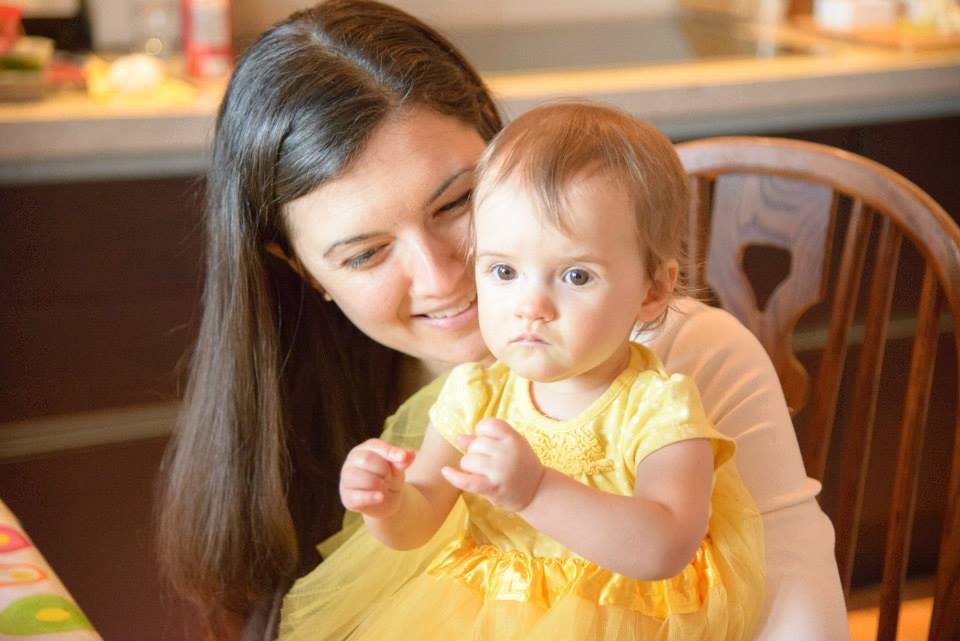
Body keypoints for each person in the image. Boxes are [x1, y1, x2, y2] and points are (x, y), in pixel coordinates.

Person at [156, 2, 848, 640]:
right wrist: (386, 500)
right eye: (367, 252)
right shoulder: (336, 398)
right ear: (304, 271)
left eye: (457, 202)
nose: (444, 273)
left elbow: (797, 607)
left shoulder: (683, 362)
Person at [279, 101, 766, 641]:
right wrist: (388, 502)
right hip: (480, 617)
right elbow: (419, 522)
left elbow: (665, 546)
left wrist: (536, 492)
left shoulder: (658, 408)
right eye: (505, 271)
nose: (530, 305)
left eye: (576, 275)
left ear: (653, 290)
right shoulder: (475, 395)